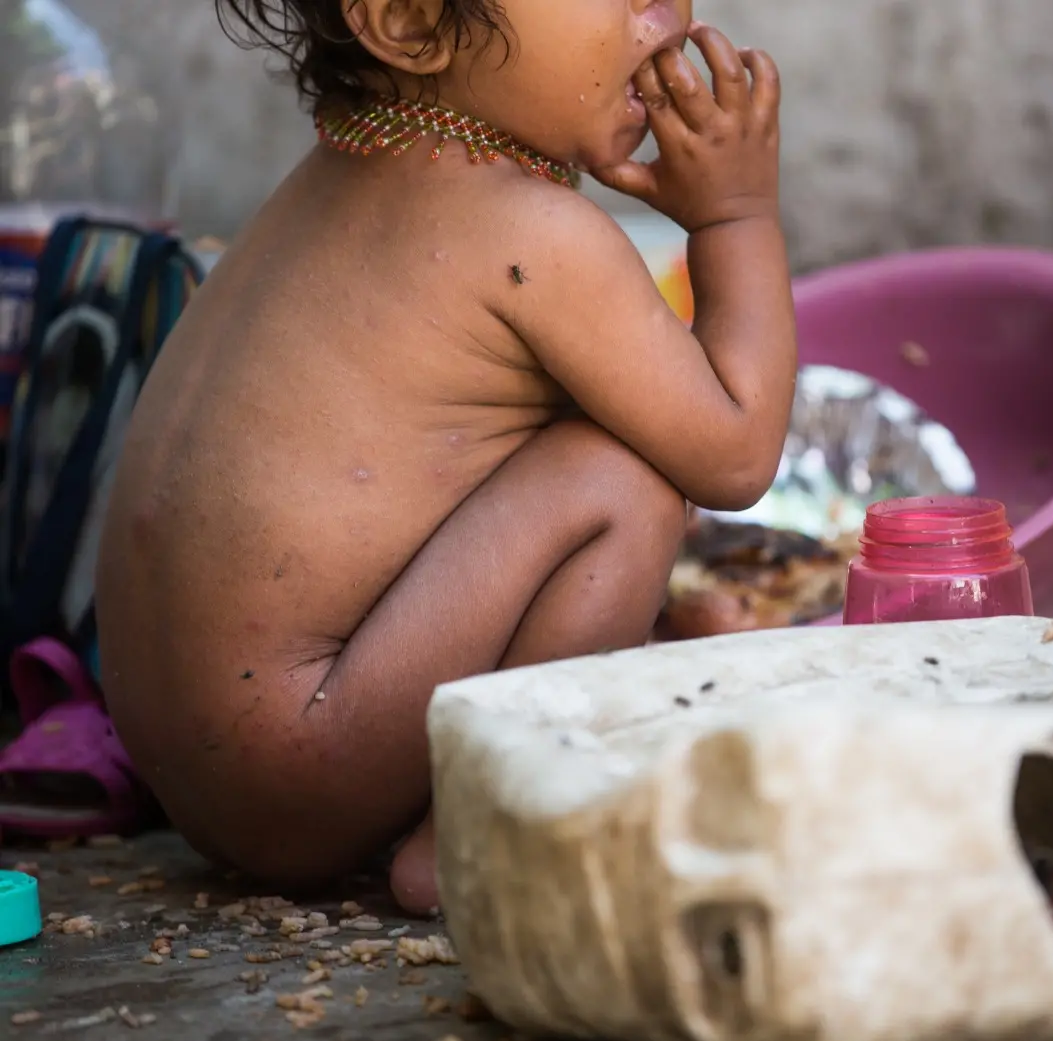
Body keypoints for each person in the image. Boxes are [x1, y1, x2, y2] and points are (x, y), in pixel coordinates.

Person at [92, 0, 795, 914]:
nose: (663, 12)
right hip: (304, 754)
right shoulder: (528, 231)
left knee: (601, 447)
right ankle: (478, 827)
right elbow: (735, 454)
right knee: (625, 478)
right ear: (409, 21)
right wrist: (736, 217)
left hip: (196, 775)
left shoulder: (327, 182)